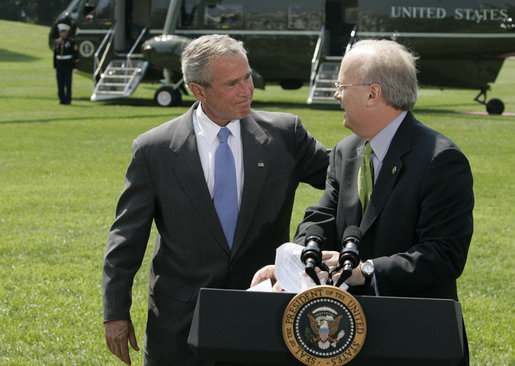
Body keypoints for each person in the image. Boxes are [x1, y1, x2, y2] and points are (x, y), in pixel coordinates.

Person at [102, 34, 330, 366]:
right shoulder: (154, 149)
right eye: (232, 83)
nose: (246, 90)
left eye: (248, 77)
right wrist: (115, 313)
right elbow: (126, 238)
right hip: (179, 322)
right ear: (199, 91)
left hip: (264, 315)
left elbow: (343, 183)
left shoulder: (286, 134)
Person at [251, 39, 473, 365]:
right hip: (346, 339)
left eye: (341, 86)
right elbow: (321, 216)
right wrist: (296, 263)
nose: (336, 94)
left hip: (415, 339)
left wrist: (363, 271)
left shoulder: (440, 160)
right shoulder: (346, 151)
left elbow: (443, 256)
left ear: (373, 94)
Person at [52, 23, 78, 105]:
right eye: (61, 32)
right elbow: (55, 55)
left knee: (68, 84)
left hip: (68, 65)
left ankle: (68, 100)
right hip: (60, 65)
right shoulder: (57, 42)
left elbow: (75, 55)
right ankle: (61, 99)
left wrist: (74, 66)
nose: (62, 33)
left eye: (63, 32)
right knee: (60, 83)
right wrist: (55, 66)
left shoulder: (71, 42)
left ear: (66, 32)